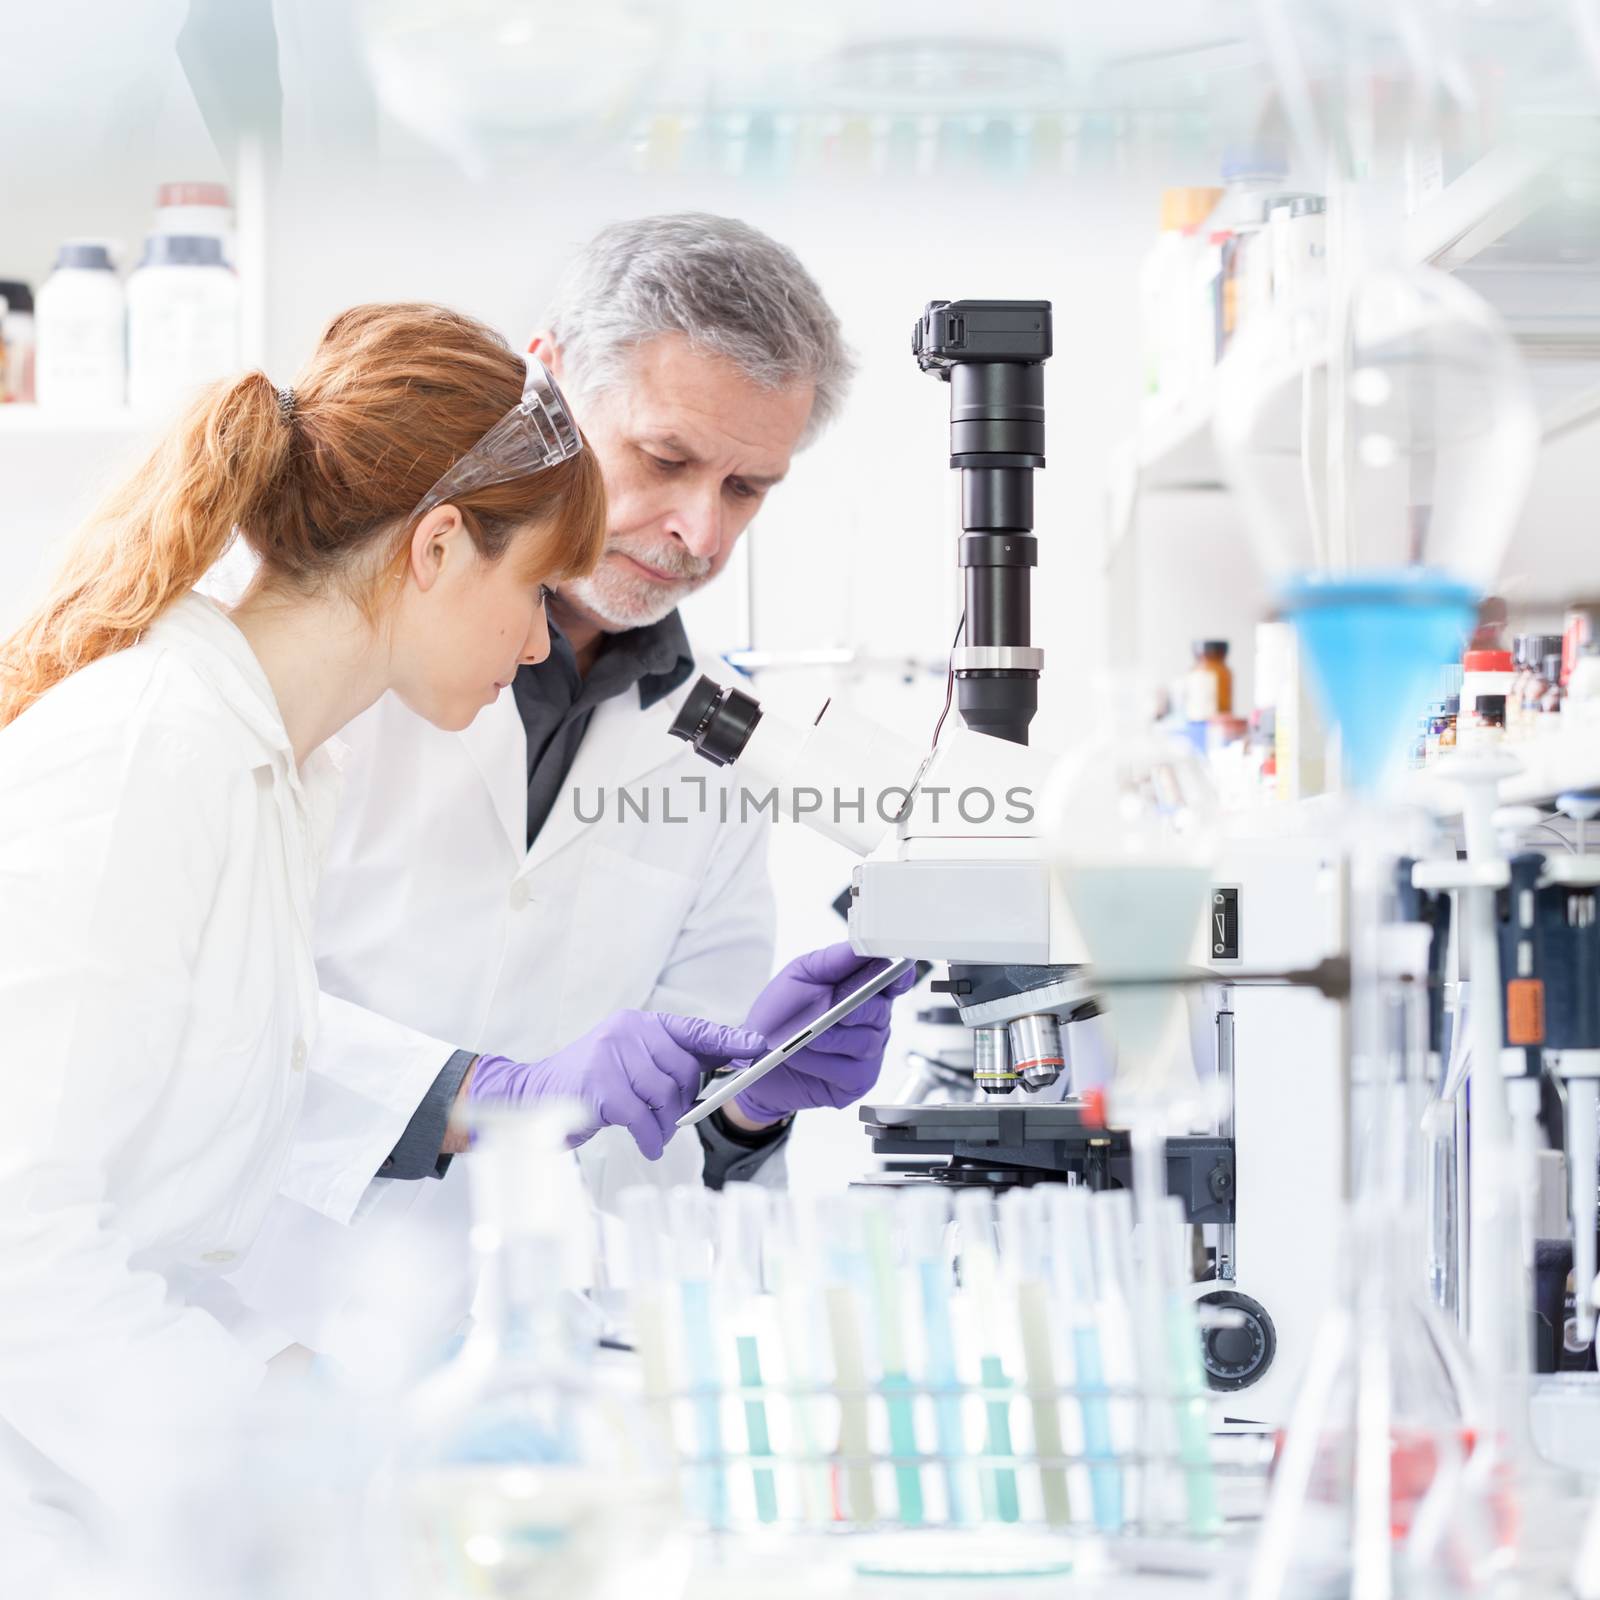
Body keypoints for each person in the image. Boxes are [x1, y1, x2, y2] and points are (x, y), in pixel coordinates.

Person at [0, 300, 809, 1564]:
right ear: (436, 547)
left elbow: (171, 1182)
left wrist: (325, 1397)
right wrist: (292, 1433)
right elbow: (21, 1246)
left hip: (156, 1488)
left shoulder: (273, 770)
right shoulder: (149, 752)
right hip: (54, 1517)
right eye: (535, 587)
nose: (543, 636)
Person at [227, 215, 910, 1359]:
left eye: (748, 488)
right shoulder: (333, 639)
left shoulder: (724, 742)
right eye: (666, 459)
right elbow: (196, 1024)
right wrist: (488, 1087)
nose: (700, 528)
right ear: (545, 380)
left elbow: (660, 1161)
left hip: (534, 1372)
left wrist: (747, 1107)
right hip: (258, 1330)